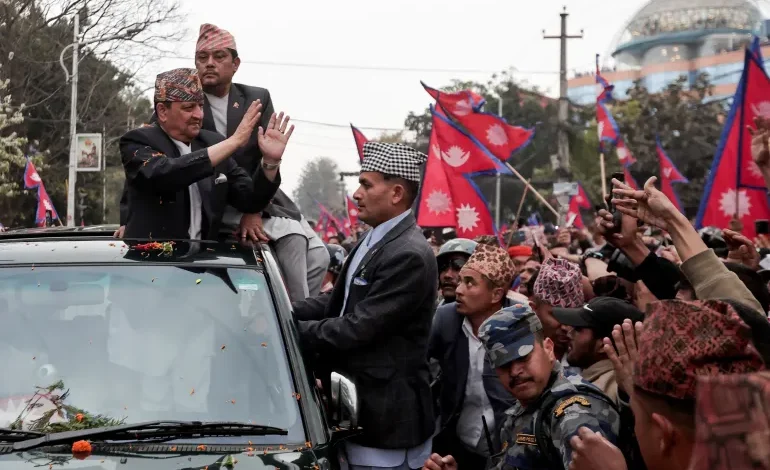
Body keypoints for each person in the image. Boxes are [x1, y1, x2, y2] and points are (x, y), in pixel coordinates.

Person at [293, 142, 437, 470]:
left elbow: (361, 325)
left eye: (366, 185)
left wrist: (288, 334)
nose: (356, 194)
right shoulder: (376, 239)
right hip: (357, 408)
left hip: (386, 421)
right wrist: (284, 311)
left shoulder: (408, 254)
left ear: (396, 193)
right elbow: (339, 300)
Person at [193, 23, 329, 300]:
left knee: (319, 256)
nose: (209, 64)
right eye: (202, 58)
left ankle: (293, 315)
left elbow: (267, 153)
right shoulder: (184, 99)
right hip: (214, 200)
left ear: (235, 64)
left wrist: (254, 209)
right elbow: (152, 155)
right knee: (292, 237)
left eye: (219, 57)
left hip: (259, 194)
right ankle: (291, 323)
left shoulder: (256, 97)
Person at [424, 304, 620, 470]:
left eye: (523, 357)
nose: (515, 371)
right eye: (504, 364)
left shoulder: (572, 410)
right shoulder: (530, 403)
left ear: (549, 349)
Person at [119, 68, 291, 241]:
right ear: (163, 111)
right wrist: (233, 141)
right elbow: (165, 174)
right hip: (154, 262)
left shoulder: (213, 143)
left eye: (201, 106)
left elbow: (251, 200)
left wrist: (270, 162)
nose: (199, 115)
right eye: (189, 108)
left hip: (202, 262)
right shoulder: (138, 141)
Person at [429, 244, 517, 469]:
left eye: (470, 283)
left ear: (496, 294)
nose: (459, 290)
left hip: (505, 447)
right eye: (460, 281)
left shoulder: (519, 324)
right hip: (454, 443)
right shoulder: (445, 319)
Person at [552, 296, 645, 403]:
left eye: (578, 329)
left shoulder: (605, 390)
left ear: (602, 345)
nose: (569, 333)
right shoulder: (592, 377)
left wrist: (625, 395)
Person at [531, 257, 584, 363]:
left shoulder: (585, 357)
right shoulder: (517, 350)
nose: (566, 327)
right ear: (533, 309)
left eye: (573, 316)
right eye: (557, 315)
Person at [435, 238, 477, 306]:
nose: (447, 275)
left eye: (458, 266)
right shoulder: (431, 312)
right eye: (443, 267)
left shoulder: (494, 315)